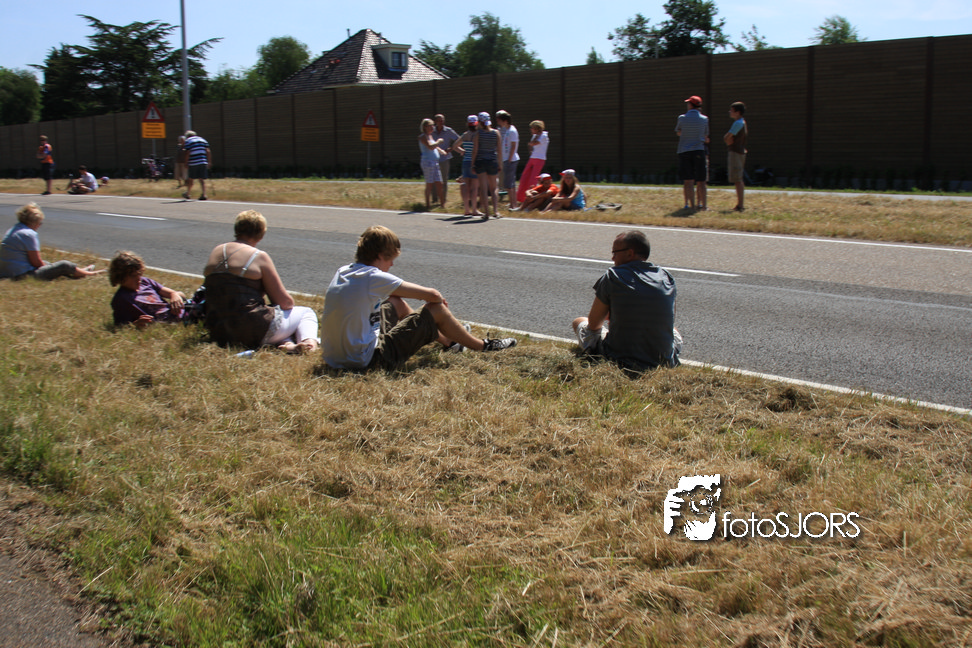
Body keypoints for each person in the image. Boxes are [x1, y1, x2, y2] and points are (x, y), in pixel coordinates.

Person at [321, 225, 517, 370]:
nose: (391, 265)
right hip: (367, 360)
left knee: (396, 302)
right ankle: (483, 346)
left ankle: (450, 343)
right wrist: (437, 305)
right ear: (380, 256)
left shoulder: (344, 271)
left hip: (335, 358)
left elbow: (391, 293)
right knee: (435, 309)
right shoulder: (373, 277)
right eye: (391, 259)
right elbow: (433, 295)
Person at [202, 210, 320, 353]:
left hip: (219, 330)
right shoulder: (258, 256)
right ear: (261, 233)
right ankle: (310, 344)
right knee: (305, 313)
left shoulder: (217, 250)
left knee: (282, 323)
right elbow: (285, 302)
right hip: (252, 328)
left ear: (236, 229)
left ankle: (288, 345)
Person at [571, 230, 680, 371]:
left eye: (615, 252)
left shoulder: (613, 276)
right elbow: (670, 321)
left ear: (629, 253)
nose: (612, 258)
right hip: (663, 361)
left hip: (619, 359)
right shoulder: (666, 277)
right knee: (674, 330)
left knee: (579, 321)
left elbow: (594, 324)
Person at [0, 203, 103, 281]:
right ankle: (91, 274)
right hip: (21, 276)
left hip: (7, 273)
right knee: (63, 265)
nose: (39, 225)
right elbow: (36, 263)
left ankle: (81, 271)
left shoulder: (14, 229)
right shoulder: (29, 234)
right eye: (40, 223)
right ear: (34, 222)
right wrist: (51, 269)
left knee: (49, 264)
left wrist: (50, 266)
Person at [109, 251, 186, 328]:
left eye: (139, 274)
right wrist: (136, 324)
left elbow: (182, 296)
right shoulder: (121, 299)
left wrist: (175, 295)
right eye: (133, 276)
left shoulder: (145, 282)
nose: (138, 279)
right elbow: (121, 326)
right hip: (168, 322)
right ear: (120, 277)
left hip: (184, 312)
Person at [676, 96, 710, 212]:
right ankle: (704, 206)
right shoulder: (704, 119)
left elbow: (679, 132)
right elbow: (705, 135)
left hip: (684, 150)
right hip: (699, 150)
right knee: (701, 180)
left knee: (688, 180)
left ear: (690, 105)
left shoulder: (682, 118)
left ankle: (691, 205)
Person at [471, 111, 502, 220]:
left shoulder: (478, 134)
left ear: (479, 122)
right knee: (494, 188)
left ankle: (487, 213)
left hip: (480, 161)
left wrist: (472, 164)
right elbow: (499, 150)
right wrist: (500, 163)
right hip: (492, 161)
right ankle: (496, 211)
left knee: (483, 188)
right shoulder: (496, 133)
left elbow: (475, 150)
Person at [451, 115, 482, 217]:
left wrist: (463, 151)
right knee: (474, 187)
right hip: (475, 161)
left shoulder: (465, 135)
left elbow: (454, 146)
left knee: (465, 185)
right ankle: (474, 209)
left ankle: (466, 209)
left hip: (466, 161)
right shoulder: (478, 134)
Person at [515, 120, 549, 205]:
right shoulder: (535, 136)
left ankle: (531, 199)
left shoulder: (544, 135)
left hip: (540, 159)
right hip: (532, 158)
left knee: (533, 180)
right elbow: (530, 145)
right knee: (524, 177)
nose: (531, 130)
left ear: (537, 128)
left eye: (532, 128)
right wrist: (530, 151)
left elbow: (533, 143)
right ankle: (520, 198)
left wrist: (531, 143)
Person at [724, 101, 748, 212]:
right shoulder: (741, 122)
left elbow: (728, 137)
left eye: (732, 110)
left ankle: (740, 205)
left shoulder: (738, 123)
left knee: (737, 179)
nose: (730, 112)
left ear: (738, 112)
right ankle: (740, 204)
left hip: (736, 152)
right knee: (737, 178)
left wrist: (728, 141)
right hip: (738, 152)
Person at [418, 118, 446, 210]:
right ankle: (428, 205)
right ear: (425, 127)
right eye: (430, 125)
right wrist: (439, 141)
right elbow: (430, 146)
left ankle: (442, 205)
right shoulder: (423, 137)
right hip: (427, 162)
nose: (432, 127)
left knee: (439, 183)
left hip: (435, 162)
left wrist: (441, 151)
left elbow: (434, 146)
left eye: (433, 125)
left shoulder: (430, 136)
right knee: (429, 184)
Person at [495, 110, 519, 209]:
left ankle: (514, 205)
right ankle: (513, 203)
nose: (498, 122)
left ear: (505, 121)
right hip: (506, 159)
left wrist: (509, 159)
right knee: (509, 184)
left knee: (509, 184)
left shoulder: (512, 131)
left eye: (499, 120)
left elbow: (513, 145)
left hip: (511, 160)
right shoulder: (507, 130)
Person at [432, 114, 459, 204]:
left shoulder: (448, 130)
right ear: (435, 122)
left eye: (443, 120)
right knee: (433, 179)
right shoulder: (432, 131)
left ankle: (443, 199)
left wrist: (451, 148)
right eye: (439, 120)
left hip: (444, 158)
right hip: (433, 158)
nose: (441, 122)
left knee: (444, 179)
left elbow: (458, 139)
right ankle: (434, 199)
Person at [181, 130, 211, 201]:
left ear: (187, 136)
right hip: (203, 161)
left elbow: (187, 152)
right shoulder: (202, 140)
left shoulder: (188, 141)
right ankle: (204, 194)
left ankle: (188, 193)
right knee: (201, 179)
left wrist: (186, 162)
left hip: (193, 162)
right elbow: (208, 151)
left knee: (191, 178)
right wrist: (209, 161)